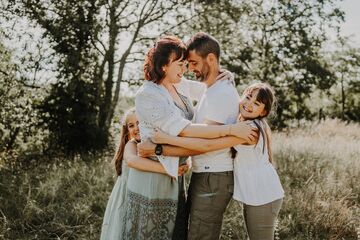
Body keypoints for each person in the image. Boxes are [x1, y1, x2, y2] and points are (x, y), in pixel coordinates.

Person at [125, 35, 257, 239]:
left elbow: (209, 87)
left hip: (176, 173)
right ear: (163, 66)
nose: (185, 68)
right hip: (154, 173)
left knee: (175, 231)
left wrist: (225, 74)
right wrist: (231, 131)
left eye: (188, 63)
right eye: (180, 63)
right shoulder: (148, 94)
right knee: (152, 232)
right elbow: (185, 129)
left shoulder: (178, 84)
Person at [151, 83, 285, 240]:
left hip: (264, 195)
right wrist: (229, 78)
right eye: (248, 97)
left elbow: (207, 144)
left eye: (256, 103)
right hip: (257, 195)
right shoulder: (242, 122)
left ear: (264, 111)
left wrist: (165, 140)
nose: (249, 104)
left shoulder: (251, 130)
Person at [100, 108, 189, 240]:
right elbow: (133, 160)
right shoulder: (132, 145)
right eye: (131, 125)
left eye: (140, 122)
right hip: (127, 196)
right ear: (127, 131)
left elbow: (184, 156)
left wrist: (186, 164)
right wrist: (169, 170)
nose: (136, 128)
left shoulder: (156, 145)